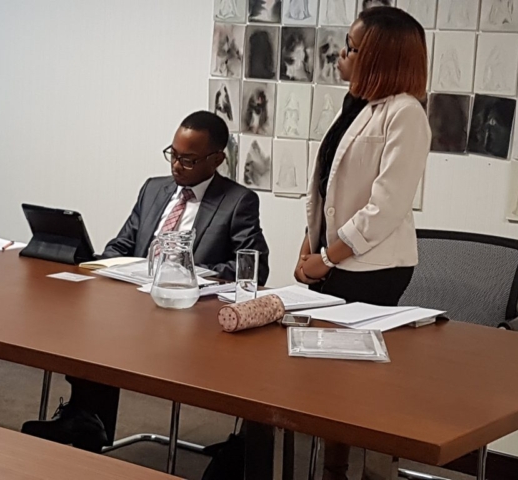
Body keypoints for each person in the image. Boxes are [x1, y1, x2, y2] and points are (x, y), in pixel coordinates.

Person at [21, 111, 270, 452]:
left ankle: (88, 420)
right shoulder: (154, 189)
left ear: (217, 160)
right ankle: (85, 416)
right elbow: (121, 245)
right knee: (83, 319)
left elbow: (253, 268)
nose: (177, 165)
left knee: (111, 330)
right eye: (173, 154)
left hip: (186, 313)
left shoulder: (237, 201)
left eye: (188, 159)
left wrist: (185, 272)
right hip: (134, 300)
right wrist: (102, 266)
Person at [293, 7, 430, 480]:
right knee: (329, 377)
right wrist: (308, 246)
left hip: (373, 267)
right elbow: (327, 187)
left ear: (379, 57)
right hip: (334, 258)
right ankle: (333, 468)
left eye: (351, 47)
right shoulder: (357, 104)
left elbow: (384, 207)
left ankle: (368, 470)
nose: (341, 54)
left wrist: (326, 258)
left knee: (355, 383)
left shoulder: (405, 113)